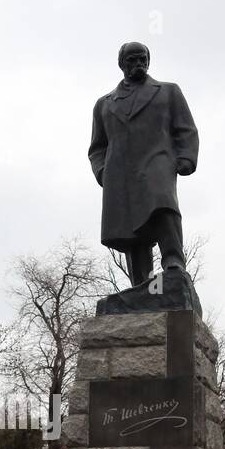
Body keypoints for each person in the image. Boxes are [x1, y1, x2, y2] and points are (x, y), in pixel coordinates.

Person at [89, 41, 199, 287]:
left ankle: (173, 262)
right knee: (131, 227)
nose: (138, 64)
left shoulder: (169, 92)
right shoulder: (104, 104)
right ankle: (142, 284)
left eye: (142, 59)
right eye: (132, 60)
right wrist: (103, 172)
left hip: (158, 160)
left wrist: (186, 157)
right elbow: (97, 147)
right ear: (121, 64)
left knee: (163, 205)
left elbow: (186, 128)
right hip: (120, 172)